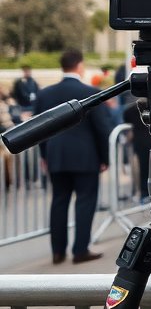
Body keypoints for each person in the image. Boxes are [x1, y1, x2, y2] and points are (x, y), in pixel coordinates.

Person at [35, 50, 115, 264]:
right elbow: (102, 128)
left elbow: (38, 129)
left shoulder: (45, 94)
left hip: (55, 155)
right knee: (85, 202)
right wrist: (105, 158)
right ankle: (80, 250)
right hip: (85, 156)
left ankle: (57, 252)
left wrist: (44, 155)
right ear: (80, 66)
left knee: (59, 201)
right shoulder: (90, 92)